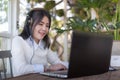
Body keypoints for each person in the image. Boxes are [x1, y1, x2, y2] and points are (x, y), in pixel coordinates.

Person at [11, 8, 68, 77]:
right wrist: (47, 68)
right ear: (30, 23)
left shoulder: (43, 43)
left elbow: (57, 62)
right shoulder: (18, 41)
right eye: (41, 24)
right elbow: (21, 69)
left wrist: (77, 66)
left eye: (47, 25)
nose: (44, 29)